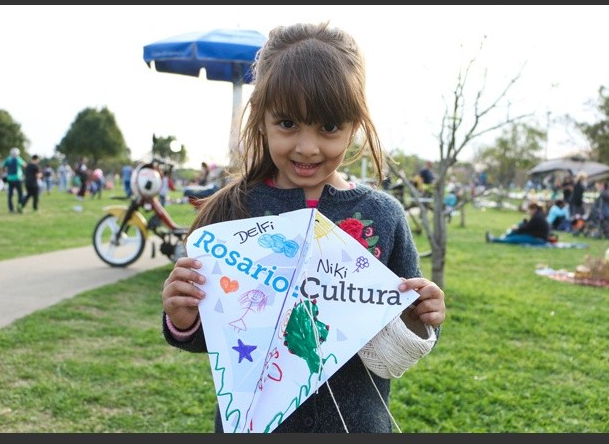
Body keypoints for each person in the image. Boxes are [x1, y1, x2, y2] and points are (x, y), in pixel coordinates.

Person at [160, 22, 446, 433]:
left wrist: (423, 317)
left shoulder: (383, 217)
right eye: (288, 124)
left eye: (329, 127)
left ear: (355, 126)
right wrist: (184, 318)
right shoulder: (232, 211)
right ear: (261, 120)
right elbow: (221, 339)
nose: (308, 147)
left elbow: (400, 345)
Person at [486, 201, 550, 245]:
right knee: (519, 226)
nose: (528, 212)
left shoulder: (537, 217)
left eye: (529, 210)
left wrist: (517, 228)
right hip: (537, 236)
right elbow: (531, 226)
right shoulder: (539, 215)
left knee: (515, 239)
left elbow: (527, 228)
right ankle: (502, 238)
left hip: (538, 239)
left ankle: (495, 239)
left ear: (534, 209)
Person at [2, 147, 26, 213]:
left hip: (10, 179)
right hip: (18, 179)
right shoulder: (18, 159)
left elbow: (3, 165)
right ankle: (19, 207)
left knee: (10, 194)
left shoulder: (8, 159)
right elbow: (25, 165)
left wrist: (6, 171)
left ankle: (11, 209)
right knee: (20, 194)